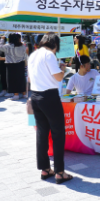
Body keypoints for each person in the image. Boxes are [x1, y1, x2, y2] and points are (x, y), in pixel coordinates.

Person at [28, 32, 73, 184]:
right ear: (54, 45)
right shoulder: (49, 55)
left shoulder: (33, 55)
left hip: (35, 96)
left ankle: (45, 169)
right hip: (50, 97)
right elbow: (59, 77)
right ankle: (60, 172)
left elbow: (31, 77)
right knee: (58, 134)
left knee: (41, 133)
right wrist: (63, 69)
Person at [0, 33, 27, 100]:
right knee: (21, 79)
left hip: (11, 64)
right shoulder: (22, 45)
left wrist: (2, 39)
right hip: (21, 64)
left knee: (12, 80)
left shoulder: (8, 46)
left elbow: (0, 47)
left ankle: (16, 95)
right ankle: (24, 94)